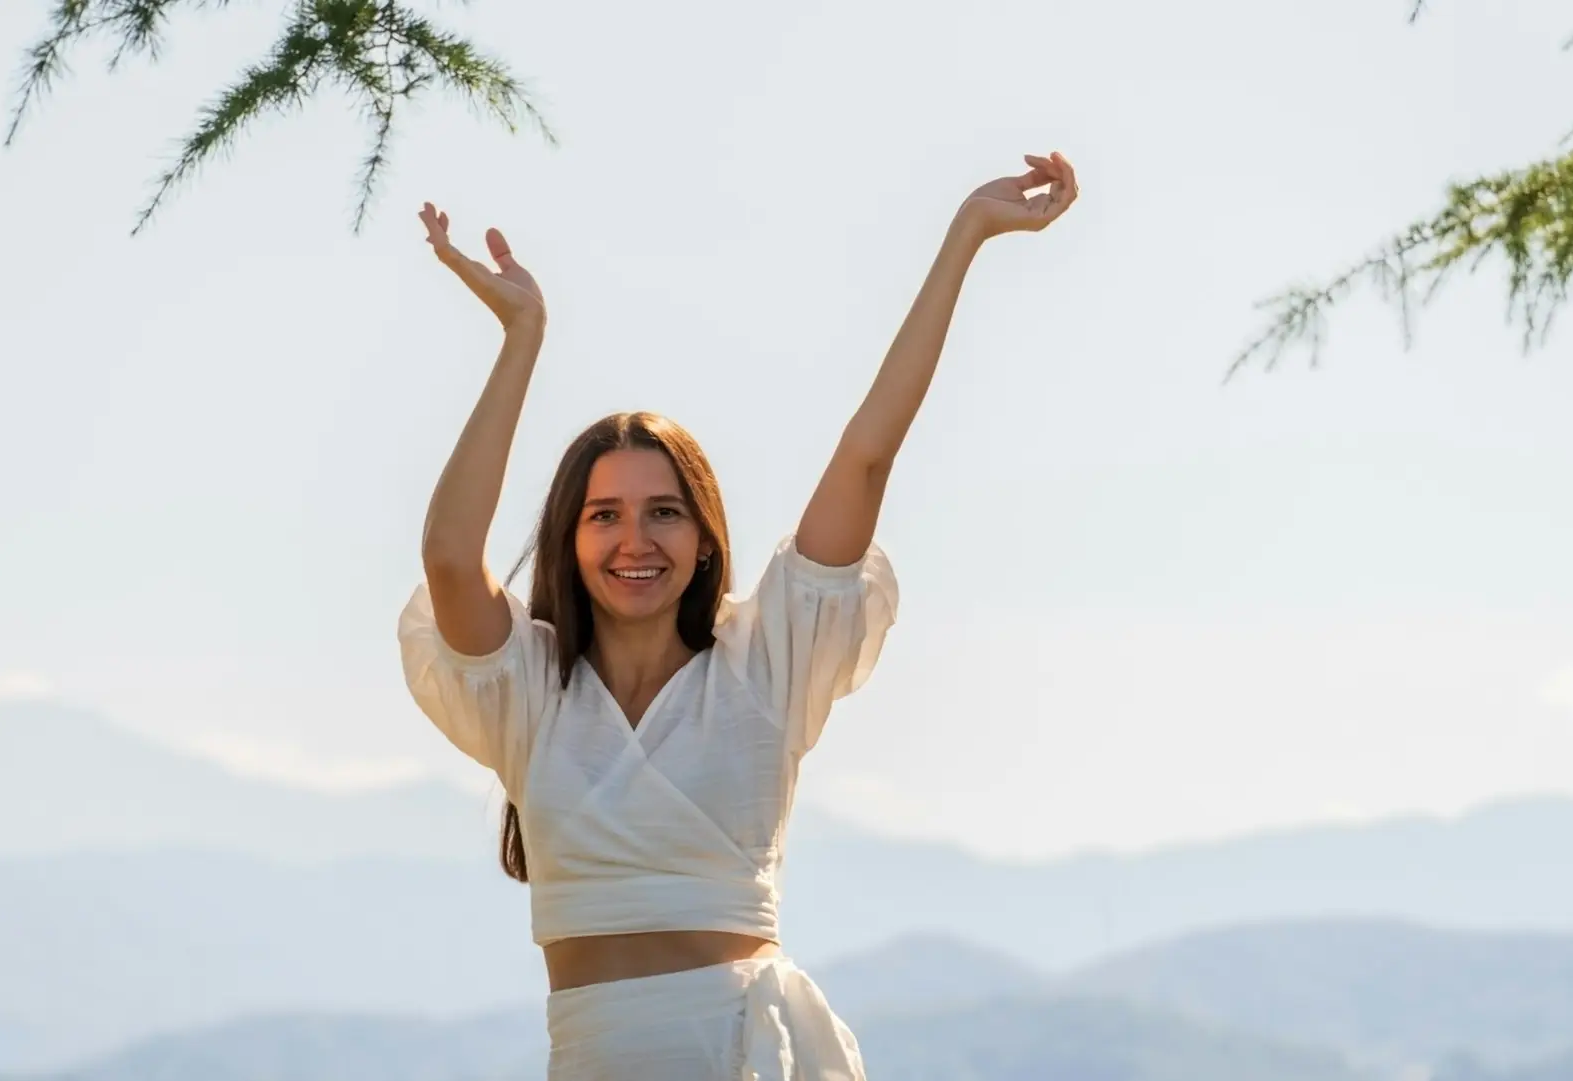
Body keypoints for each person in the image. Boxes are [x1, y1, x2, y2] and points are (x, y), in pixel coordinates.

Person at [398, 151, 1078, 1080]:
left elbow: (867, 456)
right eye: (606, 515)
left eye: (663, 511)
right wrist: (522, 337)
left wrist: (966, 234)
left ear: (704, 533)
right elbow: (447, 557)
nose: (635, 540)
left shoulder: (766, 663)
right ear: (571, 535)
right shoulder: (530, 688)